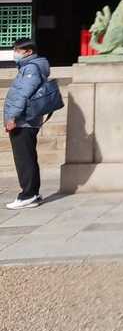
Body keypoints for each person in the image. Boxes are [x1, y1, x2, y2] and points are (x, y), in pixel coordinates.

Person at [4, 38, 56, 209]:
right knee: (28, 157)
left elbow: (23, 95)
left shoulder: (31, 69)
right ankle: (33, 194)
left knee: (24, 159)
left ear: (29, 52)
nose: (15, 53)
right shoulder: (28, 67)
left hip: (24, 120)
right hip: (26, 119)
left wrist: (12, 117)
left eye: (18, 50)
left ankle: (28, 195)